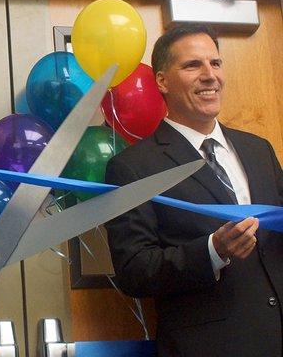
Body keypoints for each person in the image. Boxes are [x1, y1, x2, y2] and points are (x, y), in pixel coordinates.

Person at [105, 24, 283, 356]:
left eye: (215, 63)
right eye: (192, 65)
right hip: (208, 347)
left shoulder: (259, 150)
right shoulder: (133, 167)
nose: (209, 75)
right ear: (162, 81)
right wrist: (213, 250)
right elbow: (134, 271)